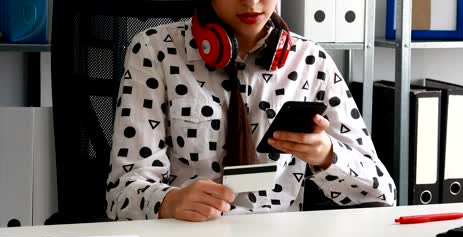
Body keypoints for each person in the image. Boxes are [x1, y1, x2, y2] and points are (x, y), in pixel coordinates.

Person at [106, 0, 396, 222]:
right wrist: (169, 202)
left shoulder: (311, 61)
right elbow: (120, 197)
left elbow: (383, 193)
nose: (252, 1)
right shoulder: (154, 50)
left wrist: (326, 155)